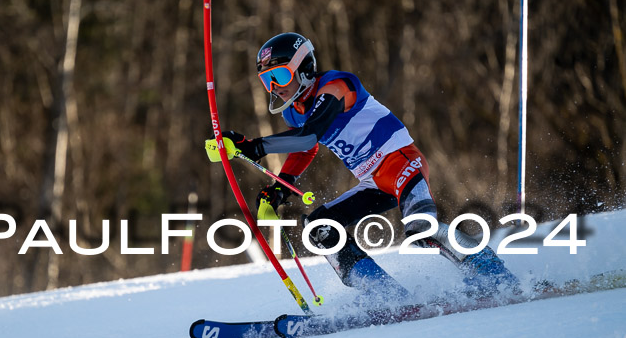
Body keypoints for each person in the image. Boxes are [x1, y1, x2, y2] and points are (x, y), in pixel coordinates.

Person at [206, 32, 518, 305]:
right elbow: (307, 148)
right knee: (319, 228)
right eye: (267, 81)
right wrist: (279, 188)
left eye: (281, 77)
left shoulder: (337, 86)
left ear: (304, 69)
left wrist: (254, 147)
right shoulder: (296, 113)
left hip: (401, 164)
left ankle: (495, 275)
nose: (275, 88)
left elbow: (310, 135)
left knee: (421, 229)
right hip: (373, 181)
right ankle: (386, 296)